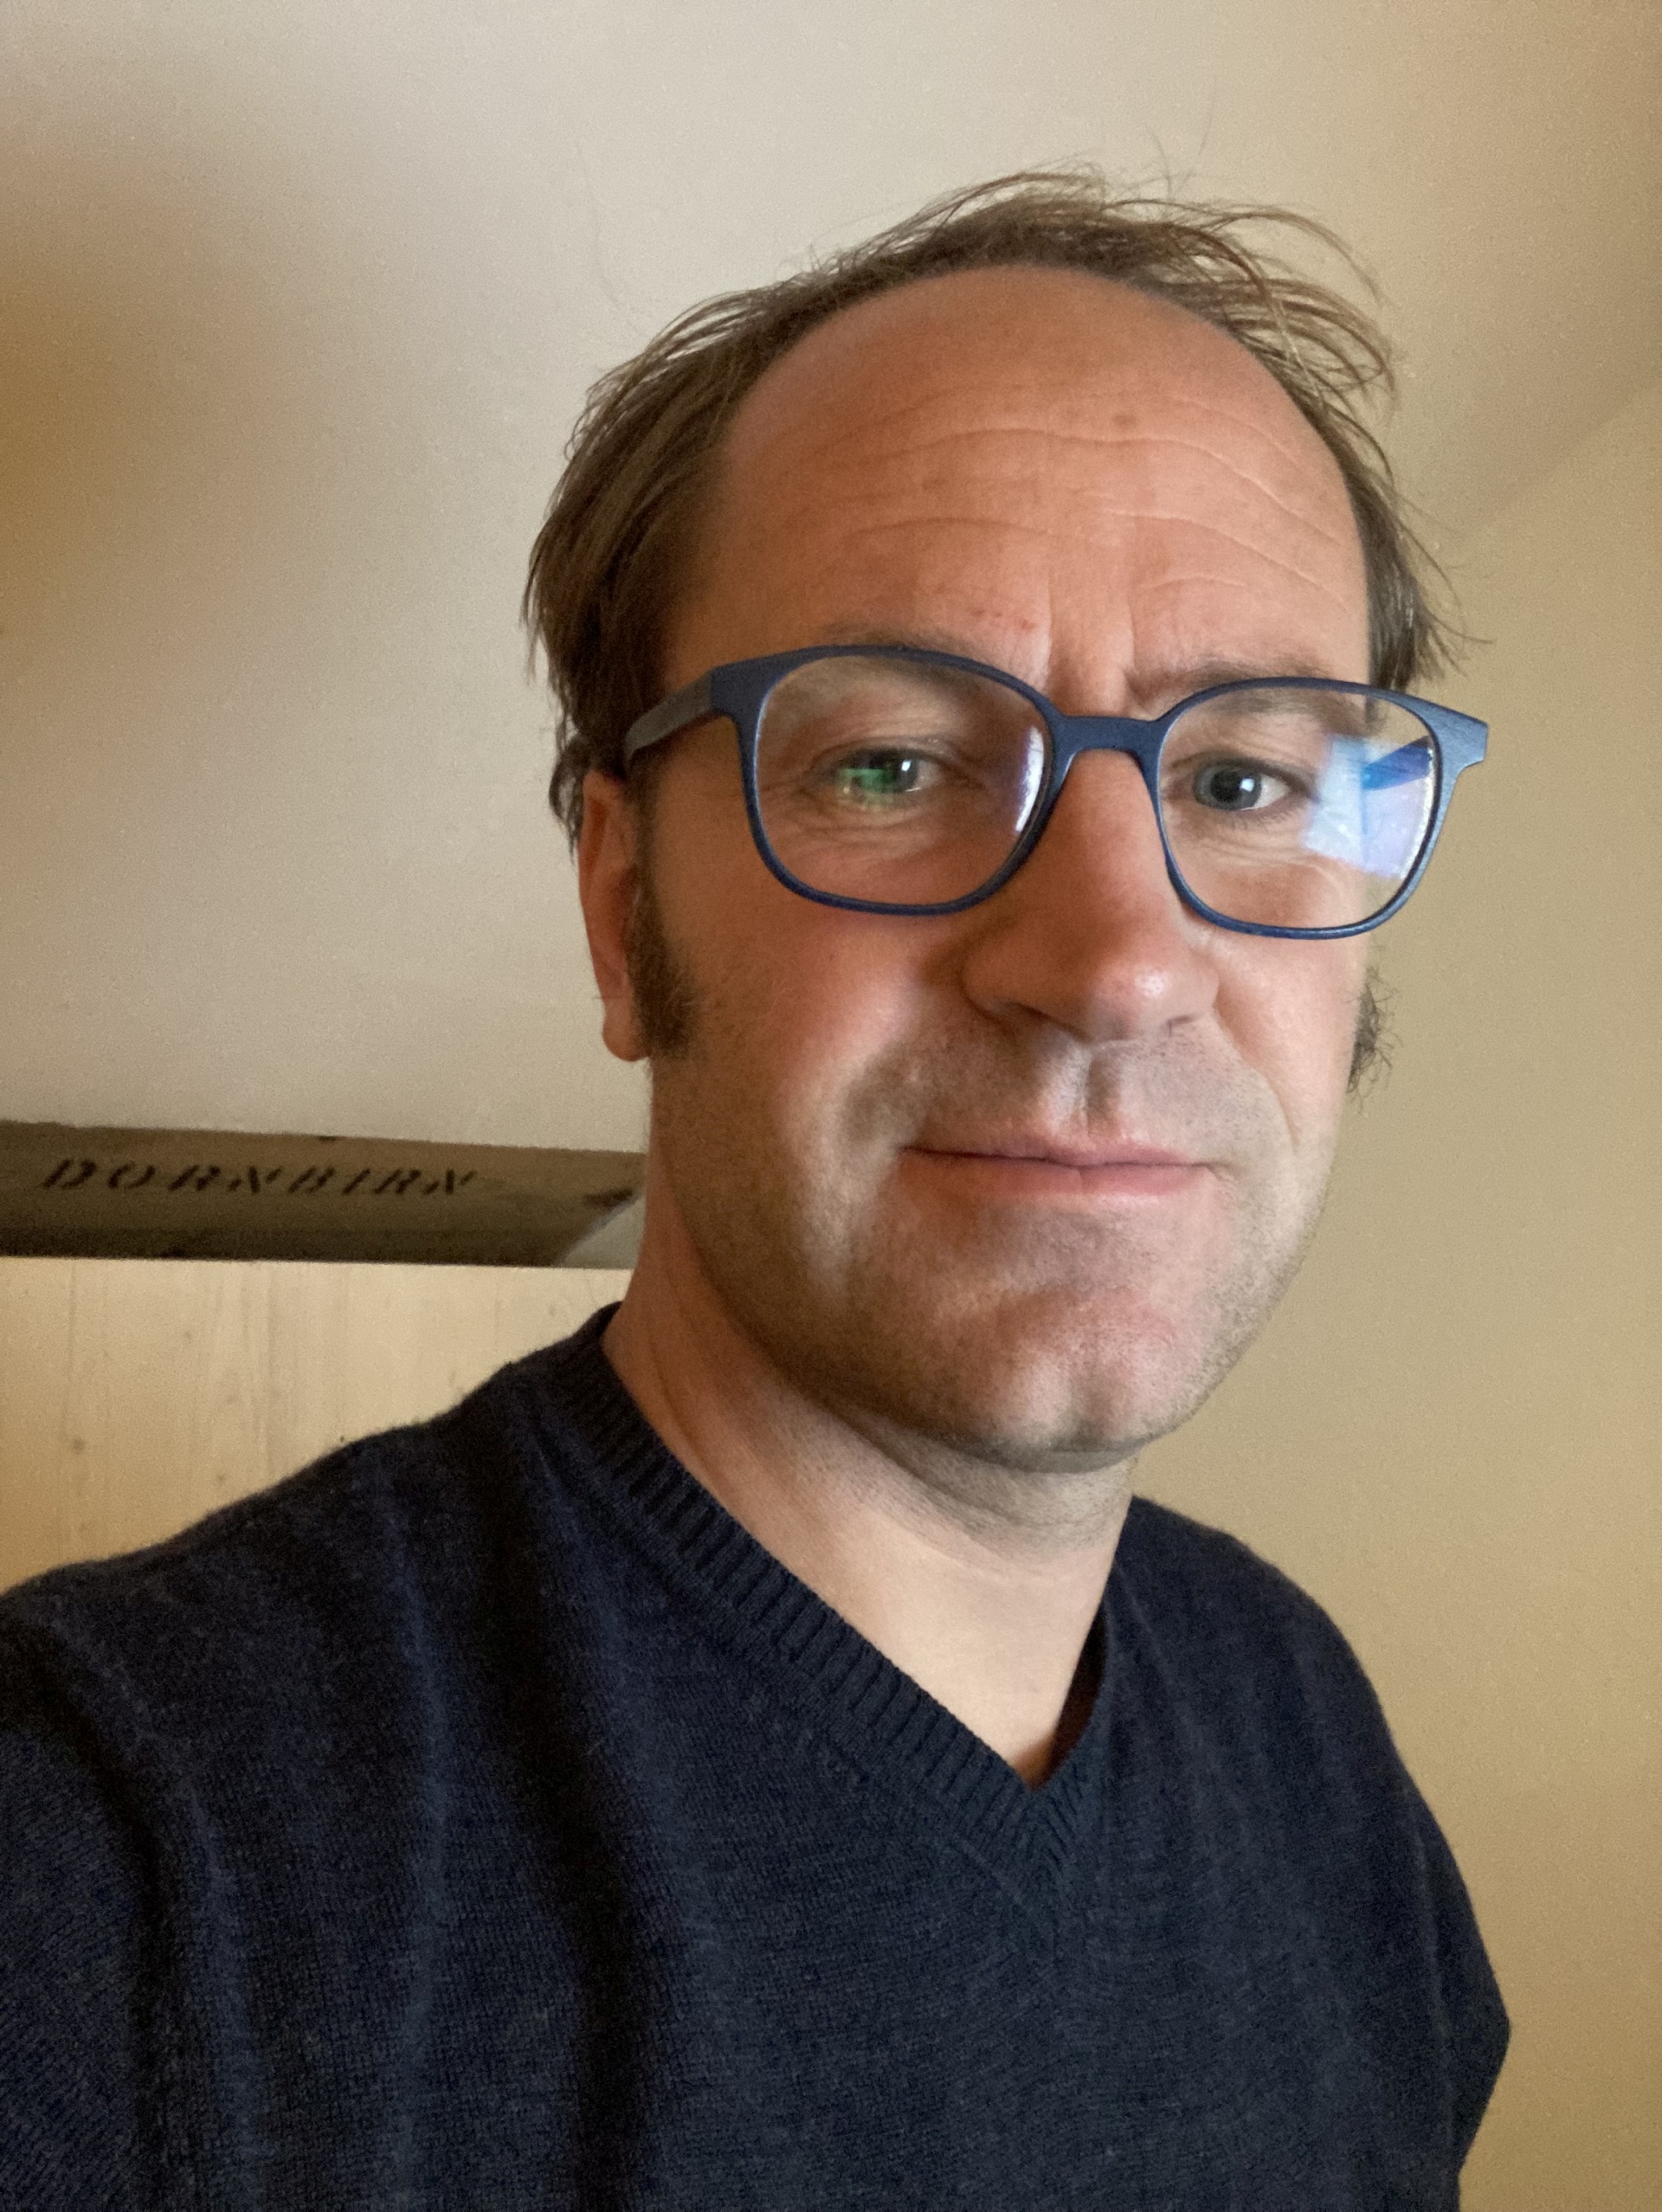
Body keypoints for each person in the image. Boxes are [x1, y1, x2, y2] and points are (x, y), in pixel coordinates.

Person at [1, 171, 1506, 2208]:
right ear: (625, 911)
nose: (1117, 963)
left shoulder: (1305, 1733)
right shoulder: (121, 1861)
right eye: (892, 765)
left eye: (1246, 782)